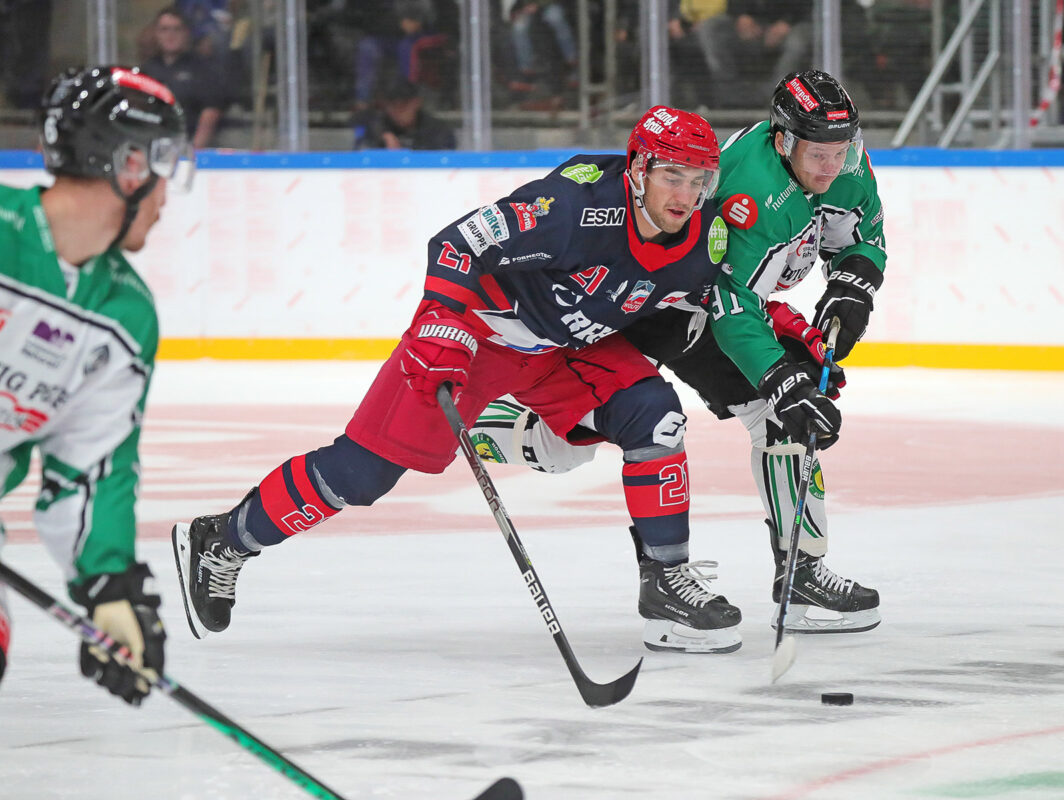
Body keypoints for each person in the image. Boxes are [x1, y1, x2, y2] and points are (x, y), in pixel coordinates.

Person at [173, 106, 751, 654]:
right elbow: (457, 244)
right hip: (479, 338)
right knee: (363, 473)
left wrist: (787, 356)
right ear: (639, 168)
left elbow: (729, 305)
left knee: (655, 412)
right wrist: (442, 323)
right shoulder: (573, 205)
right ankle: (225, 539)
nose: (688, 194)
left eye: (700, 178)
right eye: (673, 175)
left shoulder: (706, 238)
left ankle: (667, 579)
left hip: (564, 349)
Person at [470, 69, 881, 634]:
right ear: (783, 139)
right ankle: (479, 426)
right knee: (582, 441)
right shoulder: (752, 194)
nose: (832, 167)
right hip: (661, 307)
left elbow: (861, 231)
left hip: (700, 299)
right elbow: (731, 306)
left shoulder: (840, 162)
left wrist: (855, 285)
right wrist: (782, 377)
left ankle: (801, 570)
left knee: (781, 420)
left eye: (843, 150)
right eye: (819, 154)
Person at [0, 65, 194, 702]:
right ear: (129, 163)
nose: (166, 198)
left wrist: (109, 586)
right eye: (163, 167)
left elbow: (93, 470)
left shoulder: (123, 316)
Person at [139, 7, 229, 149]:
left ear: (186, 33)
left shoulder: (202, 68)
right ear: (156, 34)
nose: (170, 35)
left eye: (177, 29)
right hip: (154, 148)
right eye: (164, 29)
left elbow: (211, 113)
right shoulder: (148, 69)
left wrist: (192, 151)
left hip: (189, 148)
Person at [353, 73, 456, 151]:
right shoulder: (378, 126)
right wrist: (381, 138)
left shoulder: (437, 130)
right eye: (393, 105)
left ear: (416, 103)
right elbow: (356, 122)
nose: (398, 112)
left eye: (403, 105)